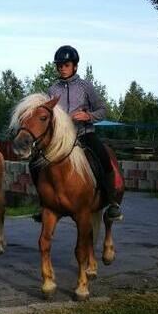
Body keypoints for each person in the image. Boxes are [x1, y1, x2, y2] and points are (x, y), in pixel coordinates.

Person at [44, 45, 123, 221]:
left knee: (103, 156)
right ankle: (44, 203)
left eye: (66, 65)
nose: (62, 68)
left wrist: (88, 115)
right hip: (61, 140)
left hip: (84, 134)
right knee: (39, 162)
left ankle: (112, 202)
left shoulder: (86, 86)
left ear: (75, 66)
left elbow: (102, 109)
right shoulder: (52, 90)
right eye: (59, 65)